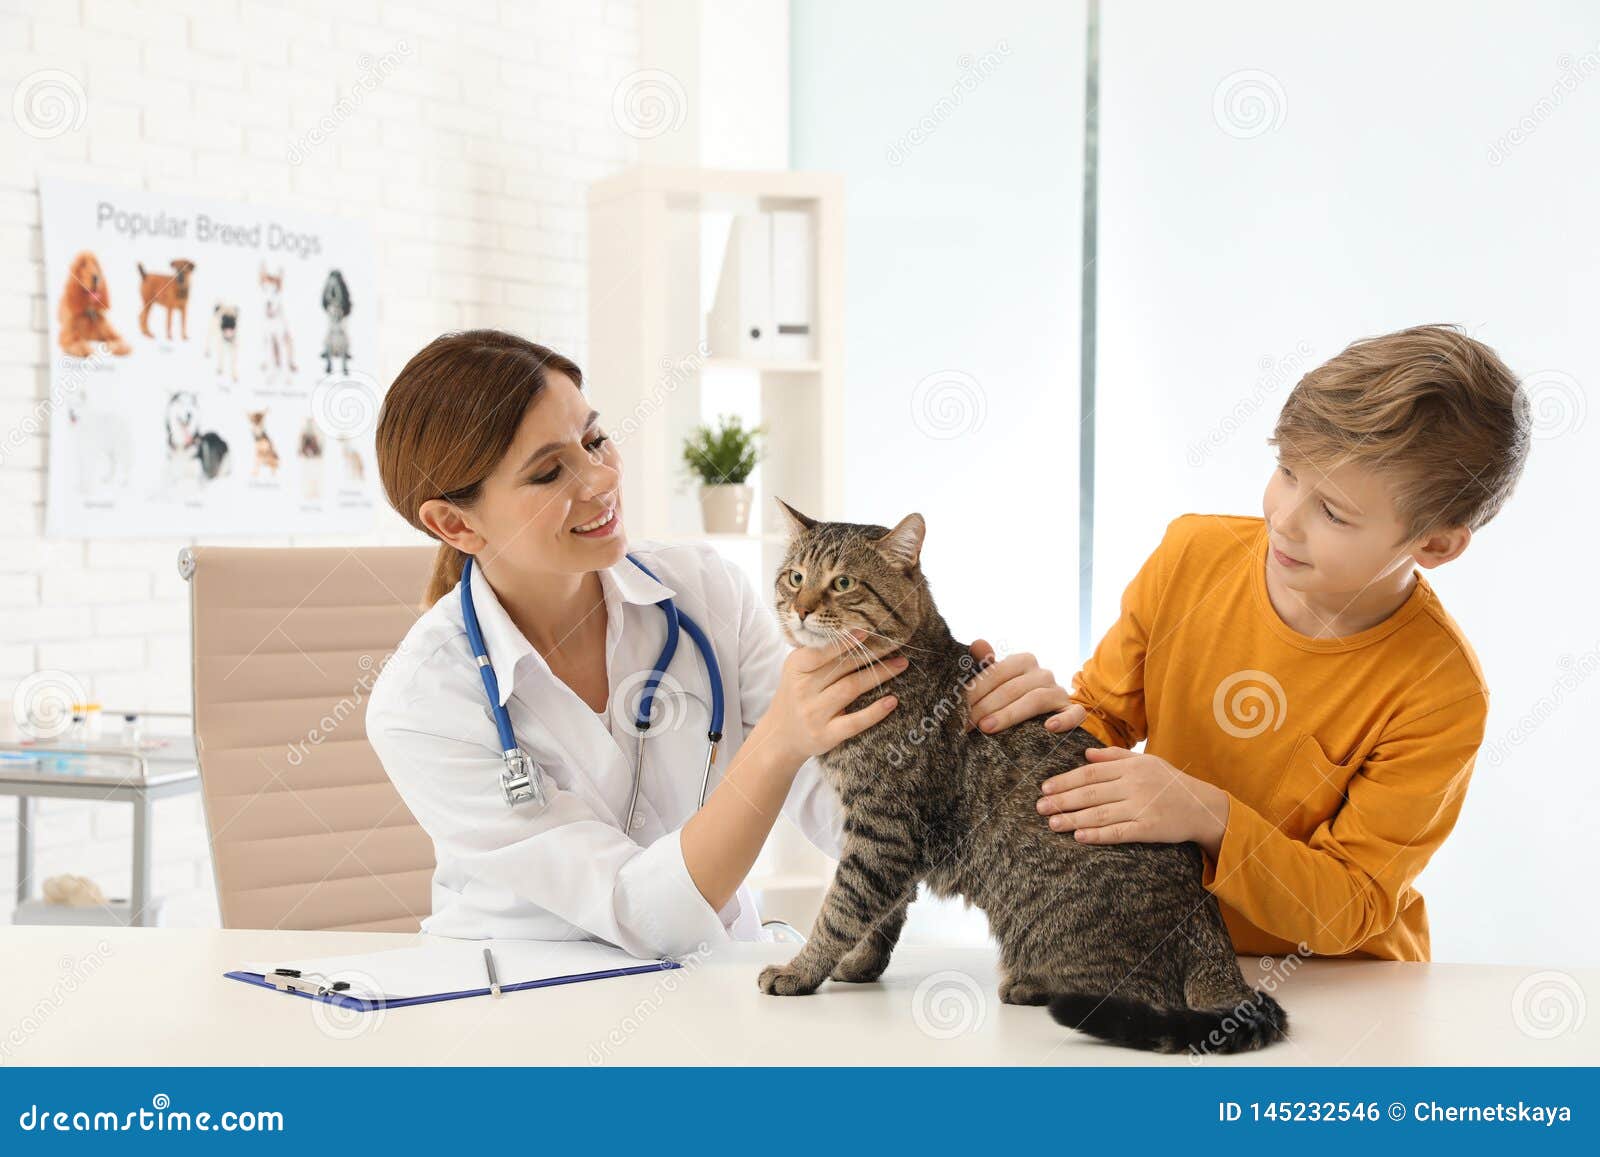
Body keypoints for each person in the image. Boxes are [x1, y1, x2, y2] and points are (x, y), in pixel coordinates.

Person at [365, 329, 1083, 959]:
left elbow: (845, 813)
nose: (602, 478)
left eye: (595, 439)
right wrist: (777, 741)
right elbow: (639, 912)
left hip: (714, 983)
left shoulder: (702, 590)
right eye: (551, 472)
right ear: (456, 524)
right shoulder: (422, 702)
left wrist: (973, 752)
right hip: (521, 1002)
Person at [1036, 324, 1532, 960]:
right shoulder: (1191, 555)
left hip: (1347, 984)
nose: (1284, 519)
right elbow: (1099, 724)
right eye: (1288, 471)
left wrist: (1209, 815)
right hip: (1166, 956)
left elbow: (1351, 905)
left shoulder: (1441, 692)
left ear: (1434, 544)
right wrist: (1022, 723)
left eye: (1333, 513)